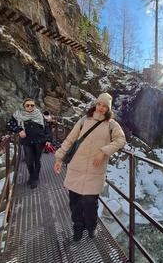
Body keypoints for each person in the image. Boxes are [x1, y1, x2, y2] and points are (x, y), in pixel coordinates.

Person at [53, 93, 126, 241]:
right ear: (95, 104)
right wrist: (59, 158)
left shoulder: (112, 125)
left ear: (108, 109)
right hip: (76, 167)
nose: (101, 108)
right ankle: (78, 227)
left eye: (105, 106)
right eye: (99, 104)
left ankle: (91, 226)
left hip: (95, 170)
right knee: (74, 202)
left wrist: (103, 151)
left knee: (90, 203)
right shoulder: (83, 120)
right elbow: (70, 139)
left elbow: (121, 140)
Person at [7, 98, 52, 189]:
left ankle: (35, 178)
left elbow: (46, 128)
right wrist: (19, 130)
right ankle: (32, 175)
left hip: (39, 141)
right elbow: (9, 124)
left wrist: (48, 140)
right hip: (27, 141)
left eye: (32, 105)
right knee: (29, 161)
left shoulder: (39, 114)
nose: (30, 107)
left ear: (34, 106)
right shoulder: (18, 115)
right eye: (27, 105)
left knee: (37, 160)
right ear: (24, 106)